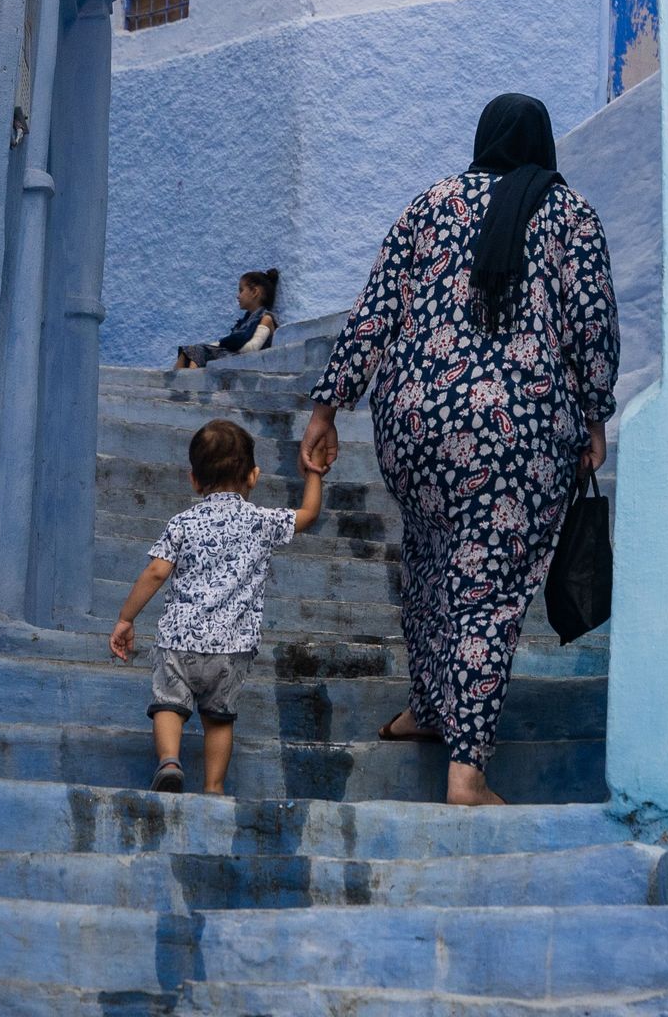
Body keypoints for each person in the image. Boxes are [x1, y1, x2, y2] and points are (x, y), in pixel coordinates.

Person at [298, 93, 618, 807]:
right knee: (489, 591)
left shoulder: (428, 205)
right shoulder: (569, 215)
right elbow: (591, 324)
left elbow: (375, 310)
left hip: (414, 423)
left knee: (431, 559)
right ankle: (467, 770)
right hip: (518, 430)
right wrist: (596, 417)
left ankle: (430, 710)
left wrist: (327, 406)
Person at [109, 417, 323, 794]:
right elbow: (308, 515)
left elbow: (157, 572)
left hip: (179, 642)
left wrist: (126, 619)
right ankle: (214, 787)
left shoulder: (183, 523)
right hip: (233, 648)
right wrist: (314, 473)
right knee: (219, 720)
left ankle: (170, 761)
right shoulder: (262, 521)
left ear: (194, 480)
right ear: (254, 477)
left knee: (168, 706)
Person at [176, 269, 279, 370]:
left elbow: (251, 348)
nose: (238, 296)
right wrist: (217, 345)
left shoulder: (266, 318)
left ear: (255, 292)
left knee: (199, 350)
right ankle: (179, 383)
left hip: (251, 362)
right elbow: (226, 342)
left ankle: (190, 382)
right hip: (236, 355)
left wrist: (223, 345)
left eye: (241, 290)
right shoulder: (244, 322)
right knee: (189, 351)